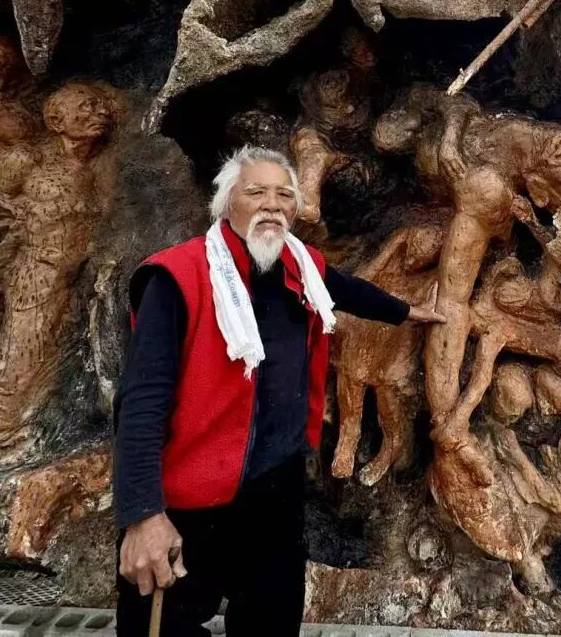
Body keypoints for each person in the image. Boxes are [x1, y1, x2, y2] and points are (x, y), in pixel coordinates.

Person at [113, 146, 444, 637]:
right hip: (189, 496)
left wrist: (406, 312)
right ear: (227, 203)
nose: (272, 204)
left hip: (274, 492)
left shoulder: (300, 264)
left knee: (270, 623)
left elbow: (346, 289)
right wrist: (143, 516)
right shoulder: (177, 277)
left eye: (284, 194)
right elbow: (140, 403)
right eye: (256, 192)